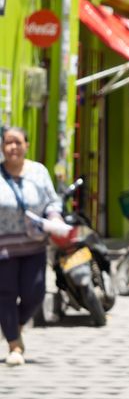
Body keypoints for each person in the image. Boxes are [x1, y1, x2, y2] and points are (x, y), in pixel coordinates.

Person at [0, 126, 62, 366]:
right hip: (4, 247)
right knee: (5, 295)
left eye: (17, 142)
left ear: (26, 145)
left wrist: (54, 218)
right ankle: (14, 345)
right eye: (8, 143)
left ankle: (15, 325)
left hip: (34, 244)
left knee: (35, 293)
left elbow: (51, 201)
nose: (13, 147)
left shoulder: (38, 172)